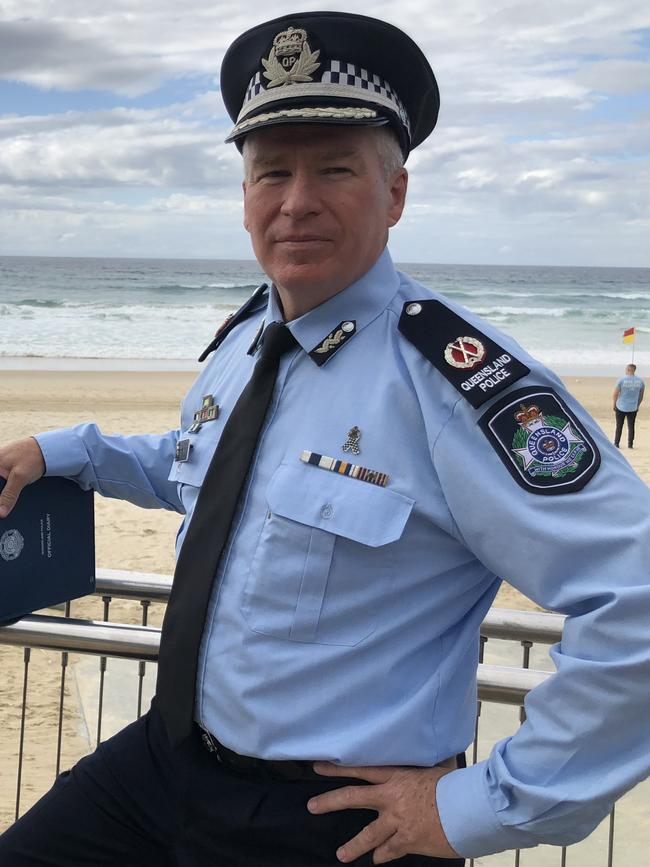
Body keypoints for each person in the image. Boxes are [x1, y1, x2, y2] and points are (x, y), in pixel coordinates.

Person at [0, 10, 649, 866]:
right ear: (244, 199)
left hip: (332, 820)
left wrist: (485, 805)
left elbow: (635, 593)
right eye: (272, 172)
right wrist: (64, 450)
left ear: (396, 194)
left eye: (335, 169)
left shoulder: (455, 381)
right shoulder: (245, 340)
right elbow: (196, 466)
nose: (296, 202)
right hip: (165, 762)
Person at [613, 363, 644, 448]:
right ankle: (630, 444)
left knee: (619, 425)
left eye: (626, 369)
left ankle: (616, 443)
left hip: (621, 406)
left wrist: (614, 404)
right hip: (633, 407)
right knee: (631, 426)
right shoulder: (640, 381)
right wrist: (638, 405)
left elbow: (615, 394)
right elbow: (641, 395)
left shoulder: (621, 380)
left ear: (628, 369)